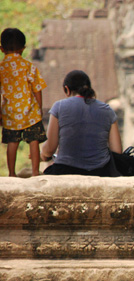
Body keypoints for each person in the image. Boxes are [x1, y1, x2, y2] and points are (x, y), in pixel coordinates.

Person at [41, 70, 122, 176]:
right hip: (100, 172)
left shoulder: (59, 107)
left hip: (66, 171)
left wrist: (42, 154)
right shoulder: (107, 110)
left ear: (67, 89)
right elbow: (117, 151)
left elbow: (50, 149)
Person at [0, 28, 47, 177]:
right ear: (23, 48)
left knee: (12, 143)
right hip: (30, 112)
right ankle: (34, 172)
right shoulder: (28, 66)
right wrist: (39, 108)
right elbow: (37, 89)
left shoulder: (1, 69)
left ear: (1, 49)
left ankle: (12, 173)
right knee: (33, 141)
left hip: (10, 113)